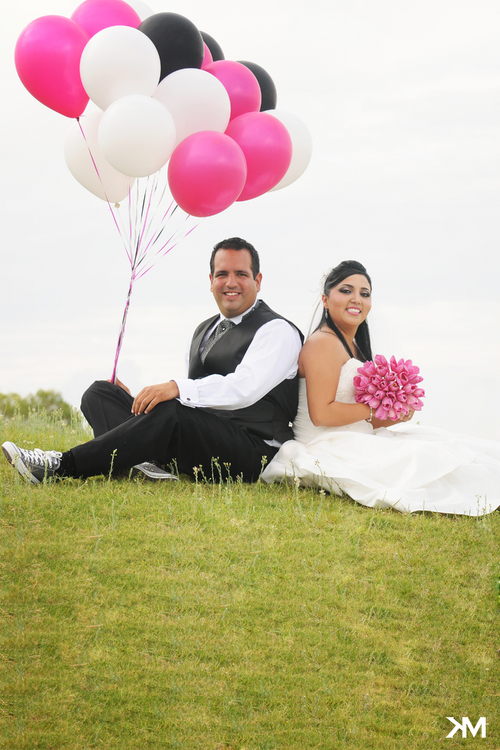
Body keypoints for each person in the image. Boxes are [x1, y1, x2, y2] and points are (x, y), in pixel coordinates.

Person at [2, 238, 303, 485]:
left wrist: (174, 388)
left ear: (258, 281)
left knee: (171, 410)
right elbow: (197, 397)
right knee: (100, 393)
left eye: (241, 274)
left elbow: (244, 388)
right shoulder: (205, 329)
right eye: (222, 274)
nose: (230, 282)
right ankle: (145, 466)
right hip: (203, 440)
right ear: (211, 280)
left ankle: (61, 465)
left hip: (253, 451)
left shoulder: (277, 331)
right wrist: (142, 403)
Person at [262, 260, 500, 515]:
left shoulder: (352, 346)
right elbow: (322, 414)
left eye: (364, 294)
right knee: (426, 457)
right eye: (346, 290)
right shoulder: (324, 343)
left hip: (350, 438)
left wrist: (394, 413)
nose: (356, 299)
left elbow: (355, 418)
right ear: (325, 299)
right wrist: (375, 409)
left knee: (446, 445)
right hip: (324, 445)